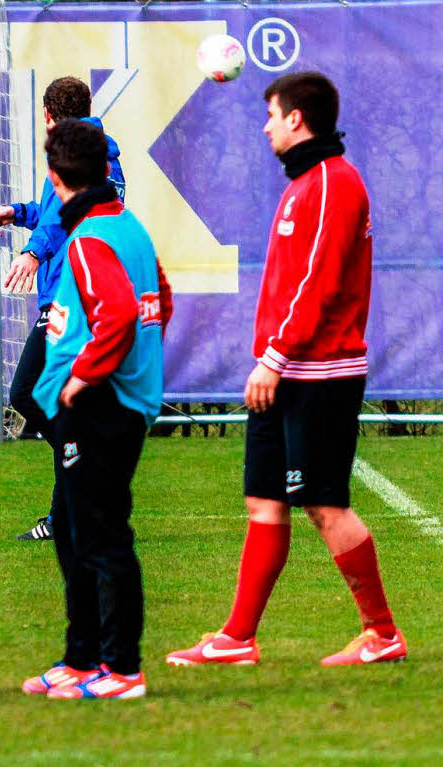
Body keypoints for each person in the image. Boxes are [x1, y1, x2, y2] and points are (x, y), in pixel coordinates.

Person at [166, 72, 406, 668]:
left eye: (272, 114)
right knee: (264, 502)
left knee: (325, 505)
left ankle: (382, 633)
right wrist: (271, 357)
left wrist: (274, 358)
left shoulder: (331, 183)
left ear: (298, 118)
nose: (265, 125)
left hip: (318, 372)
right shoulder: (305, 183)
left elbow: (319, 282)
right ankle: (237, 638)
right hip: (287, 368)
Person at [21, 119, 171, 700]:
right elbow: (161, 298)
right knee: (74, 534)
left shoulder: (89, 241)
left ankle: (123, 669)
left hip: (101, 408)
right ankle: (81, 658)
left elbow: (119, 316)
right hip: (108, 405)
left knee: (103, 536)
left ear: (56, 180)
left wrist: (82, 379)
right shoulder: (128, 226)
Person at [0, 76, 127, 542]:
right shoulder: (95, 151)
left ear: (46, 116)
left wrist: (32, 253)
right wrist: (18, 212)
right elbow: (56, 211)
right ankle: (70, 516)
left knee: (28, 394)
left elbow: (68, 215)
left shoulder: (74, 155)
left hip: (72, 294)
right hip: (88, 292)